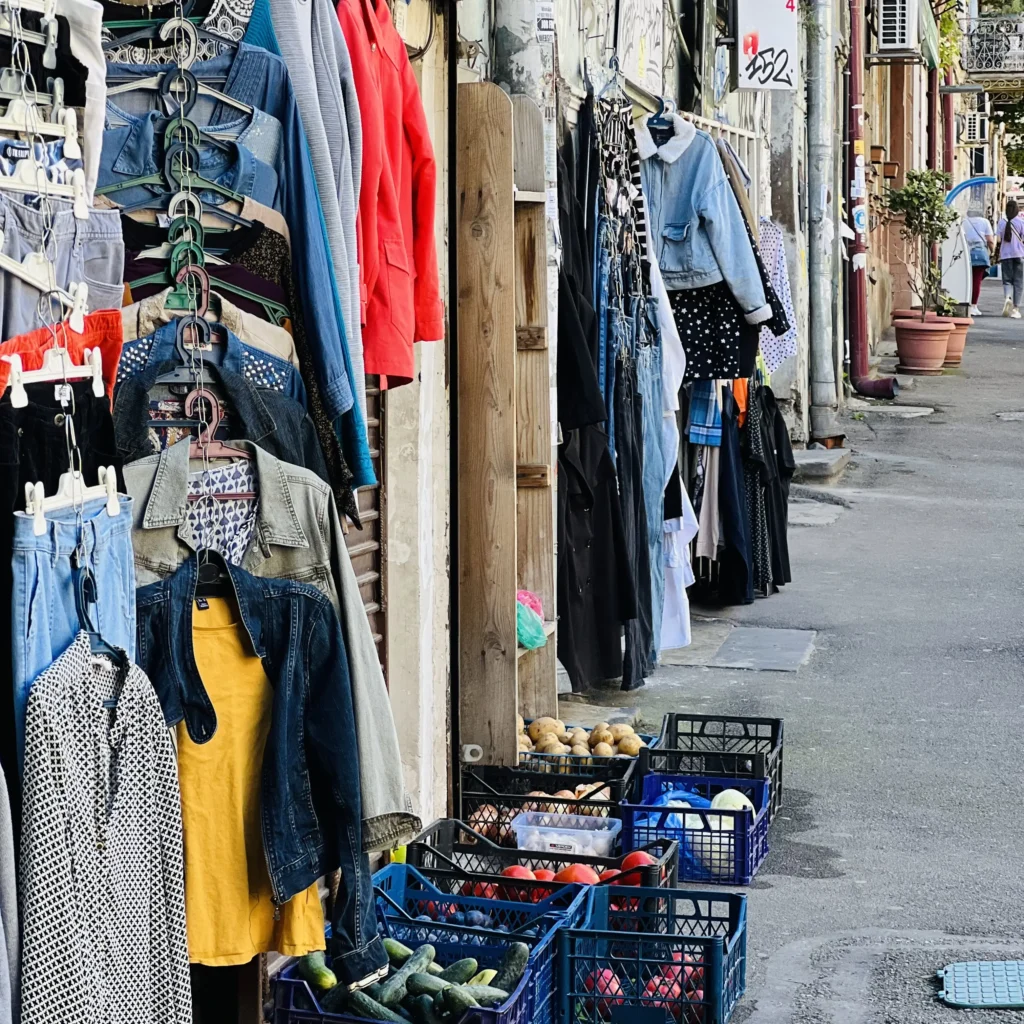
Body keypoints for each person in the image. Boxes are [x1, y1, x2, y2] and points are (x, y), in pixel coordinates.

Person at [995, 199, 1024, 318]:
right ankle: (1015, 309)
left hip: (1005, 255)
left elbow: (997, 239)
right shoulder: (1021, 222)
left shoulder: (1002, 222)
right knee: (1018, 282)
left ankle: (1008, 297)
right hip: (1019, 255)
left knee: (1007, 280)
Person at [964, 210, 995, 316]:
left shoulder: (964, 222)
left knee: (967, 280)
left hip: (966, 253)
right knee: (977, 280)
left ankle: (965, 303)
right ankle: (973, 305)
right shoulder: (985, 222)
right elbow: (990, 240)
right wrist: (993, 251)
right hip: (980, 254)